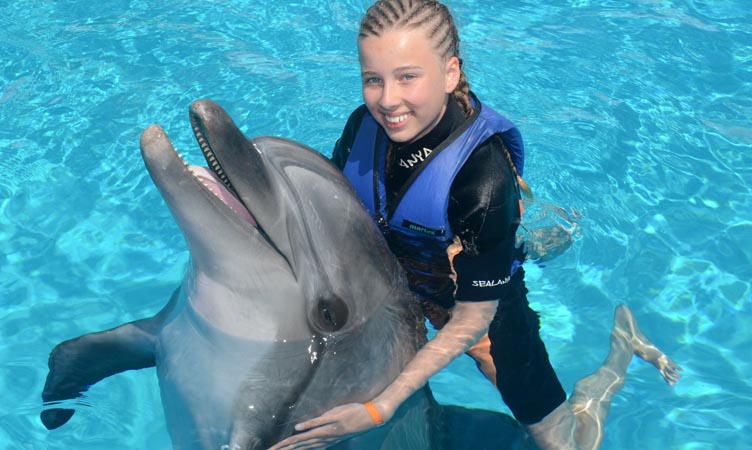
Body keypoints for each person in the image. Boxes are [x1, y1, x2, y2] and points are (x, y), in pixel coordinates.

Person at [269, 1, 682, 449]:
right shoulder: (362, 126)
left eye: (408, 76)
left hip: (467, 304)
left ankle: (615, 360)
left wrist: (379, 408)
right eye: (374, 79)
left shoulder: (482, 180)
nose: (387, 100)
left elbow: (473, 317)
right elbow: (325, 209)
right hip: (397, 278)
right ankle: (527, 241)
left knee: (565, 444)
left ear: (449, 73)